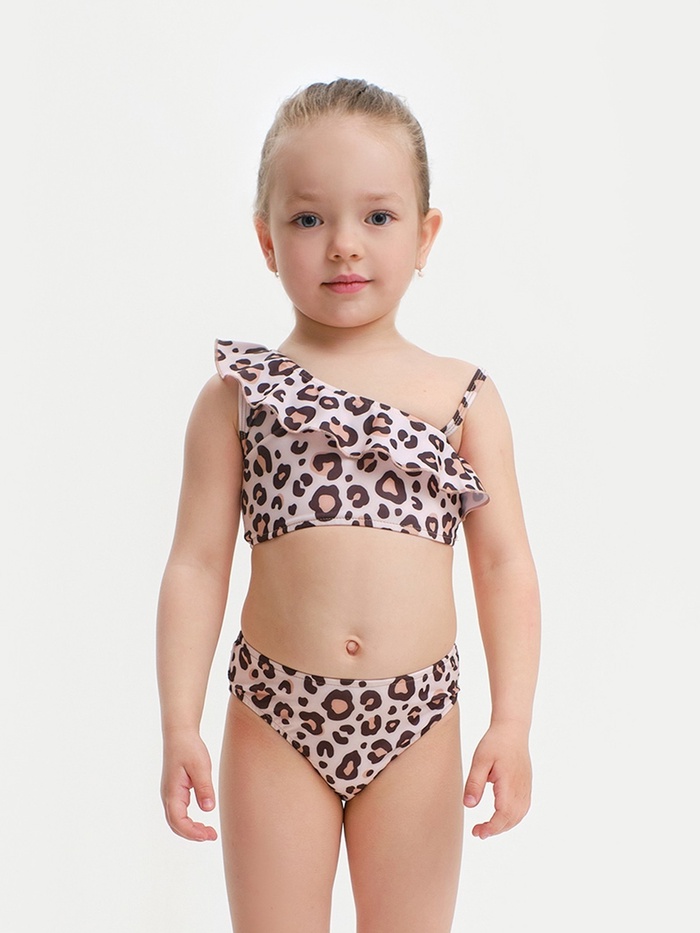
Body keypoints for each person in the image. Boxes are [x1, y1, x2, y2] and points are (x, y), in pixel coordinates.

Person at [157, 77, 540, 933]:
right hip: (275, 715)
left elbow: (505, 563)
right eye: (307, 219)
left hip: (416, 720)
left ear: (424, 234)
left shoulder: (462, 398)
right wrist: (179, 720)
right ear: (266, 239)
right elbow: (197, 564)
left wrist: (512, 721)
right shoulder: (239, 399)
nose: (343, 245)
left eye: (377, 216)